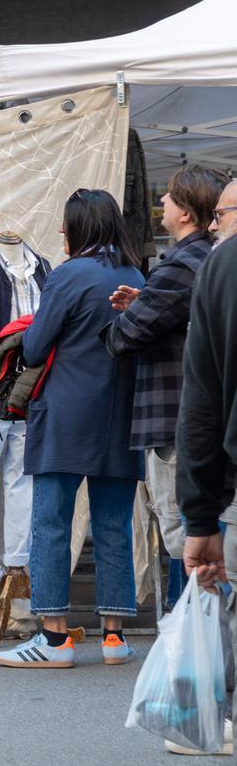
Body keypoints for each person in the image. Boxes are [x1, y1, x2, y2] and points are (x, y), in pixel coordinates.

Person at [0, 189, 144, 670]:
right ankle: (114, 638)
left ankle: (54, 640)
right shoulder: (133, 275)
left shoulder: (68, 275)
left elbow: (36, 348)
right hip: (120, 414)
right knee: (114, 525)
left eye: (66, 224)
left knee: (51, 524)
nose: (61, 231)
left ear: (82, 227)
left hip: (65, 414)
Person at [103, 165, 220, 599]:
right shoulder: (209, 259)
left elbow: (121, 338)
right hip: (196, 417)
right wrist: (148, 302)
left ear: (186, 212)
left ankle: (201, 645)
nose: (162, 204)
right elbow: (182, 318)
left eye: (168, 198)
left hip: (173, 419)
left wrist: (138, 309)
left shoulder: (182, 264)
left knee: (181, 536)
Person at [178, 204, 237, 758]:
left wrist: (200, 516)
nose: (215, 224)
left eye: (223, 212)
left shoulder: (221, 267)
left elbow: (202, 403)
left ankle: (226, 718)